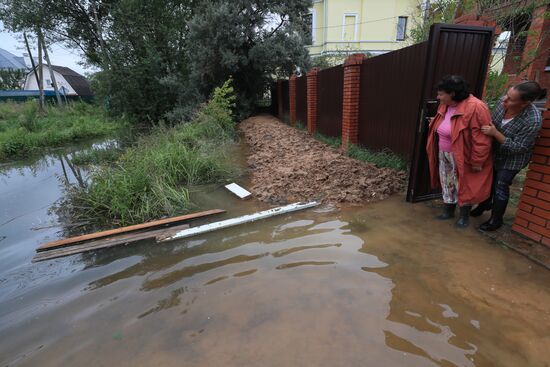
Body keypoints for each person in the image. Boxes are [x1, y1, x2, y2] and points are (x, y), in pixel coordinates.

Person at [472, 81, 546, 231]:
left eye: (511, 99)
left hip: (513, 159)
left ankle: (495, 220)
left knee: (500, 185)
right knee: (489, 180)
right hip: (494, 153)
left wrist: (496, 133)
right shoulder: (502, 103)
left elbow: (519, 147)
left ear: (525, 103)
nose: (504, 100)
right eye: (507, 95)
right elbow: (490, 121)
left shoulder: (533, 120)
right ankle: (484, 204)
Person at [426, 75, 493, 228]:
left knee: (464, 184)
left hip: (463, 154)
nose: (438, 97)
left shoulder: (476, 107)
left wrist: (478, 161)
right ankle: (448, 210)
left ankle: (464, 216)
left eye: (441, 94)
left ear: (453, 94)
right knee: (447, 180)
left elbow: (482, 139)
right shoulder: (445, 104)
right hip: (444, 151)